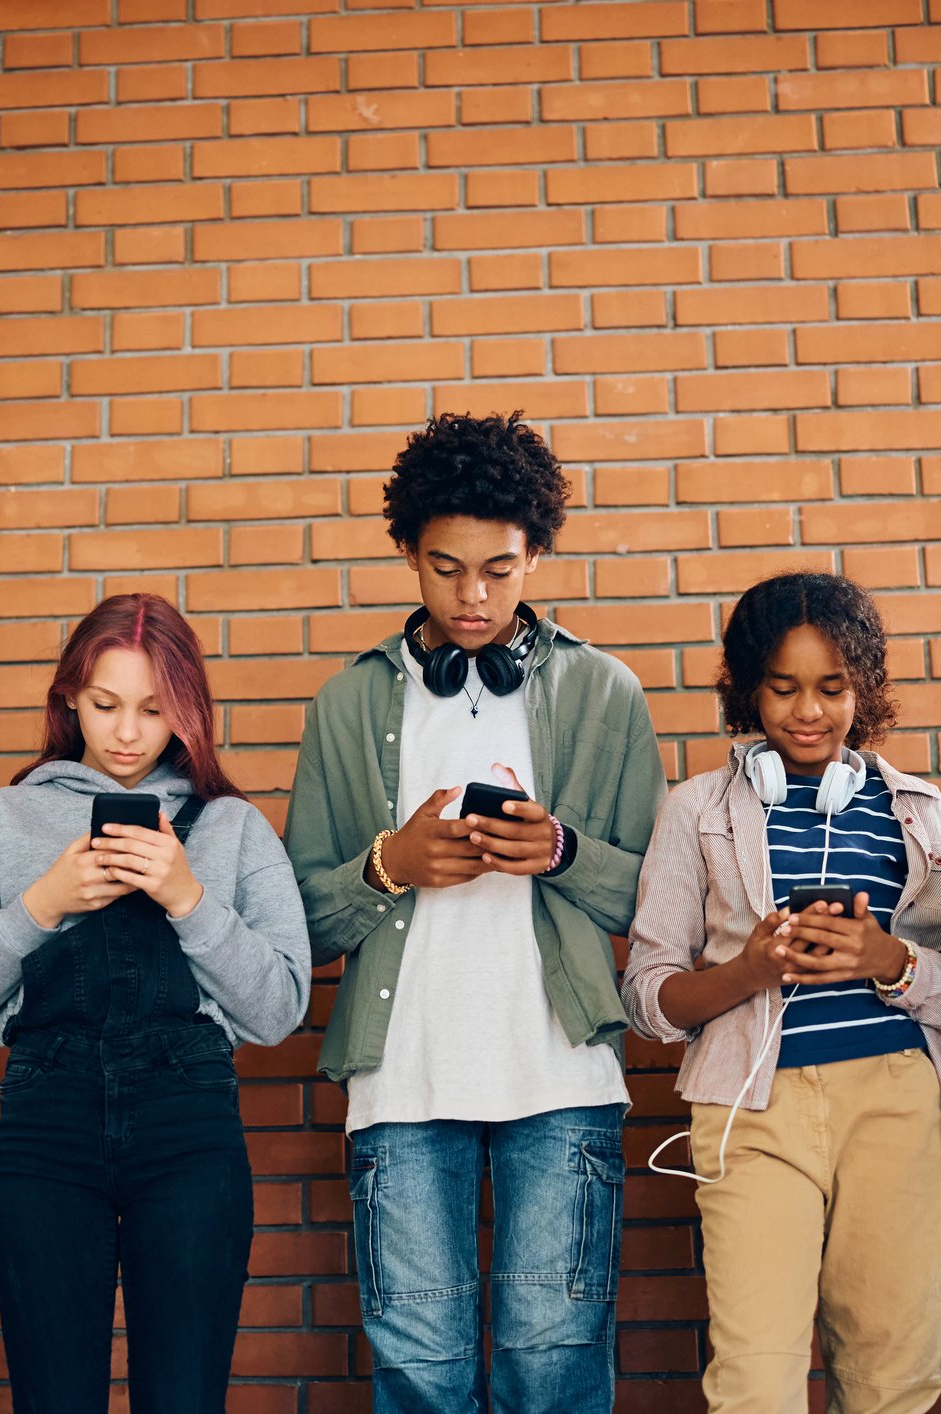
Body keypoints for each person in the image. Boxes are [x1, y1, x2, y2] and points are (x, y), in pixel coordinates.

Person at [284, 411, 666, 1413]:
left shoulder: (606, 693)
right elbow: (302, 924)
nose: (473, 595)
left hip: (562, 1069)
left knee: (556, 1364)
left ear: (536, 552)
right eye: (446, 567)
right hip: (400, 1078)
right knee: (421, 1374)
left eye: (500, 568)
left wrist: (560, 851)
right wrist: (388, 863)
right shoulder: (346, 705)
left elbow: (654, 905)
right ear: (408, 551)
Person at [0, 592, 309, 1414]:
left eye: (153, 709)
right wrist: (43, 901)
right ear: (68, 698)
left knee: (184, 1397)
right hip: (46, 1124)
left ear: (188, 713)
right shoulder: (1, 818)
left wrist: (188, 896)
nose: (127, 733)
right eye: (104, 705)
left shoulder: (232, 826)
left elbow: (278, 1009)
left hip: (188, 1128)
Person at [623, 571, 941, 1414]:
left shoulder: (916, 811)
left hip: (896, 1102)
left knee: (893, 1378)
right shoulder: (695, 810)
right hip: (751, 1111)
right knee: (753, 1380)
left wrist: (886, 959)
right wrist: (748, 972)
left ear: (866, 688)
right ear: (748, 688)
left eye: (832, 688)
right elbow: (646, 998)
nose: (808, 711)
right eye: (783, 689)